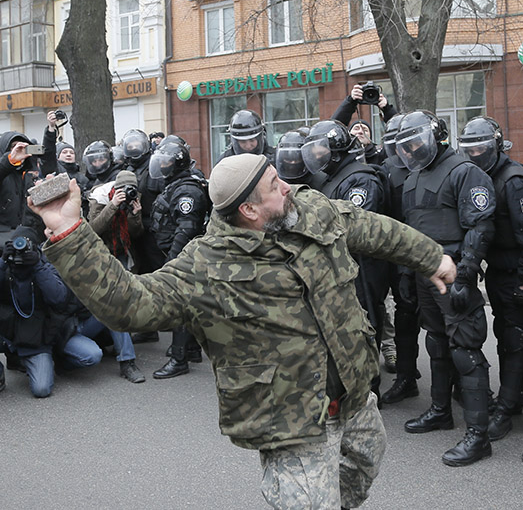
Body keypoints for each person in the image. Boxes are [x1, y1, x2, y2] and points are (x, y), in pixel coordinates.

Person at [31, 153, 455, 508]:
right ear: (249, 210)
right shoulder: (206, 267)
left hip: (357, 395)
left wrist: (431, 258)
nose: (286, 186)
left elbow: (372, 228)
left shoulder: (309, 211)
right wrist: (70, 231)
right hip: (294, 424)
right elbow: (130, 304)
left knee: (364, 465)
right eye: (274, 185)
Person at [397, 110, 496, 466]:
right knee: (436, 343)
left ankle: (478, 435)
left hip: (453, 270)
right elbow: (411, 230)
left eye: (416, 142)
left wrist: (467, 274)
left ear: (435, 136)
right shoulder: (414, 177)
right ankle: (440, 411)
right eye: (405, 145)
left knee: (465, 351)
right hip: (425, 270)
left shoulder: (464, 171)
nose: (411, 150)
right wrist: (408, 274)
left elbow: (480, 226)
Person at [458, 116, 523, 441]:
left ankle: (506, 407)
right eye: (470, 148)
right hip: (498, 272)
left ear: (496, 144)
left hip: (516, 274)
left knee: (515, 340)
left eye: (481, 146)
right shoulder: (484, 176)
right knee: (506, 336)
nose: (475, 152)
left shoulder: (515, 180)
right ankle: (514, 395)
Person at [301, 120, 390, 397]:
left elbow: (357, 230)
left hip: (361, 267)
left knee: (362, 325)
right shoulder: (334, 176)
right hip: (339, 265)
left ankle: (369, 390)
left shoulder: (360, 179)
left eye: (322, 150)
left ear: (337, 152)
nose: (317, 156)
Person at [148, 140, 210, 379]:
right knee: (187, 304)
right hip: (178, 255)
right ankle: (192, 349)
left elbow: (186, 229)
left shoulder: (187, 191)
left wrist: (172, 263)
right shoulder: (176, 185)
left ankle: (179, 358)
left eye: (166, 162)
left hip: (185, 258)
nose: (162, 166)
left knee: (180, 306)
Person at [378, 113, 425, 405]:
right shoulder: (384, 170)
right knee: (403, 318)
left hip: (427, 253)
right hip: (393, 256)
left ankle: (457, 384)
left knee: (441, 324)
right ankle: (406, 377)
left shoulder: (428, 166)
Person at [86, 169, 146, 383]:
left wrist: (135, 214)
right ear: (114, 188)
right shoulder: (100, 197)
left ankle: (122, 353)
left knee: (119, 305)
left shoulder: (134, 198)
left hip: (121, 255)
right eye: (122, 189)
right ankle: (126, 360)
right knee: (113, 307)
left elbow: (135, 233)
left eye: (131, 189)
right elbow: (93, 230)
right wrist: (112, 206)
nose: (127, 192)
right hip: (99, 258)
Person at [0, 226, 71, 397]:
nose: (20, 249)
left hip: (34, 336)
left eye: (25, 245)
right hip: (6, 331)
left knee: (41, 389)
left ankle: (25, 360)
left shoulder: (43, 264)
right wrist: (3, 260)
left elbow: (59, 298)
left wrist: (37, 265)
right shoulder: (6, 263)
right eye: (16, 244)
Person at [121, 129, 166, 343]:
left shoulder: (154, 165)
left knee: (159, 274)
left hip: (152, 229)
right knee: (141, 277)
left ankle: (171, 321)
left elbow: (162, 196)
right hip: (134, 227)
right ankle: (150, 326)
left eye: (136, 145)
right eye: (130, 147)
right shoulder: (127, 168)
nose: (133, 149)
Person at [0, 124, 58, 243]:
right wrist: (10, 160)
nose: (18, 150)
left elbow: (48, 159)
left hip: (32, 237)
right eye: (13, 146)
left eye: (23, 147)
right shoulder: (3, 172)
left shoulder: (32, 173)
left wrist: (51, 132)